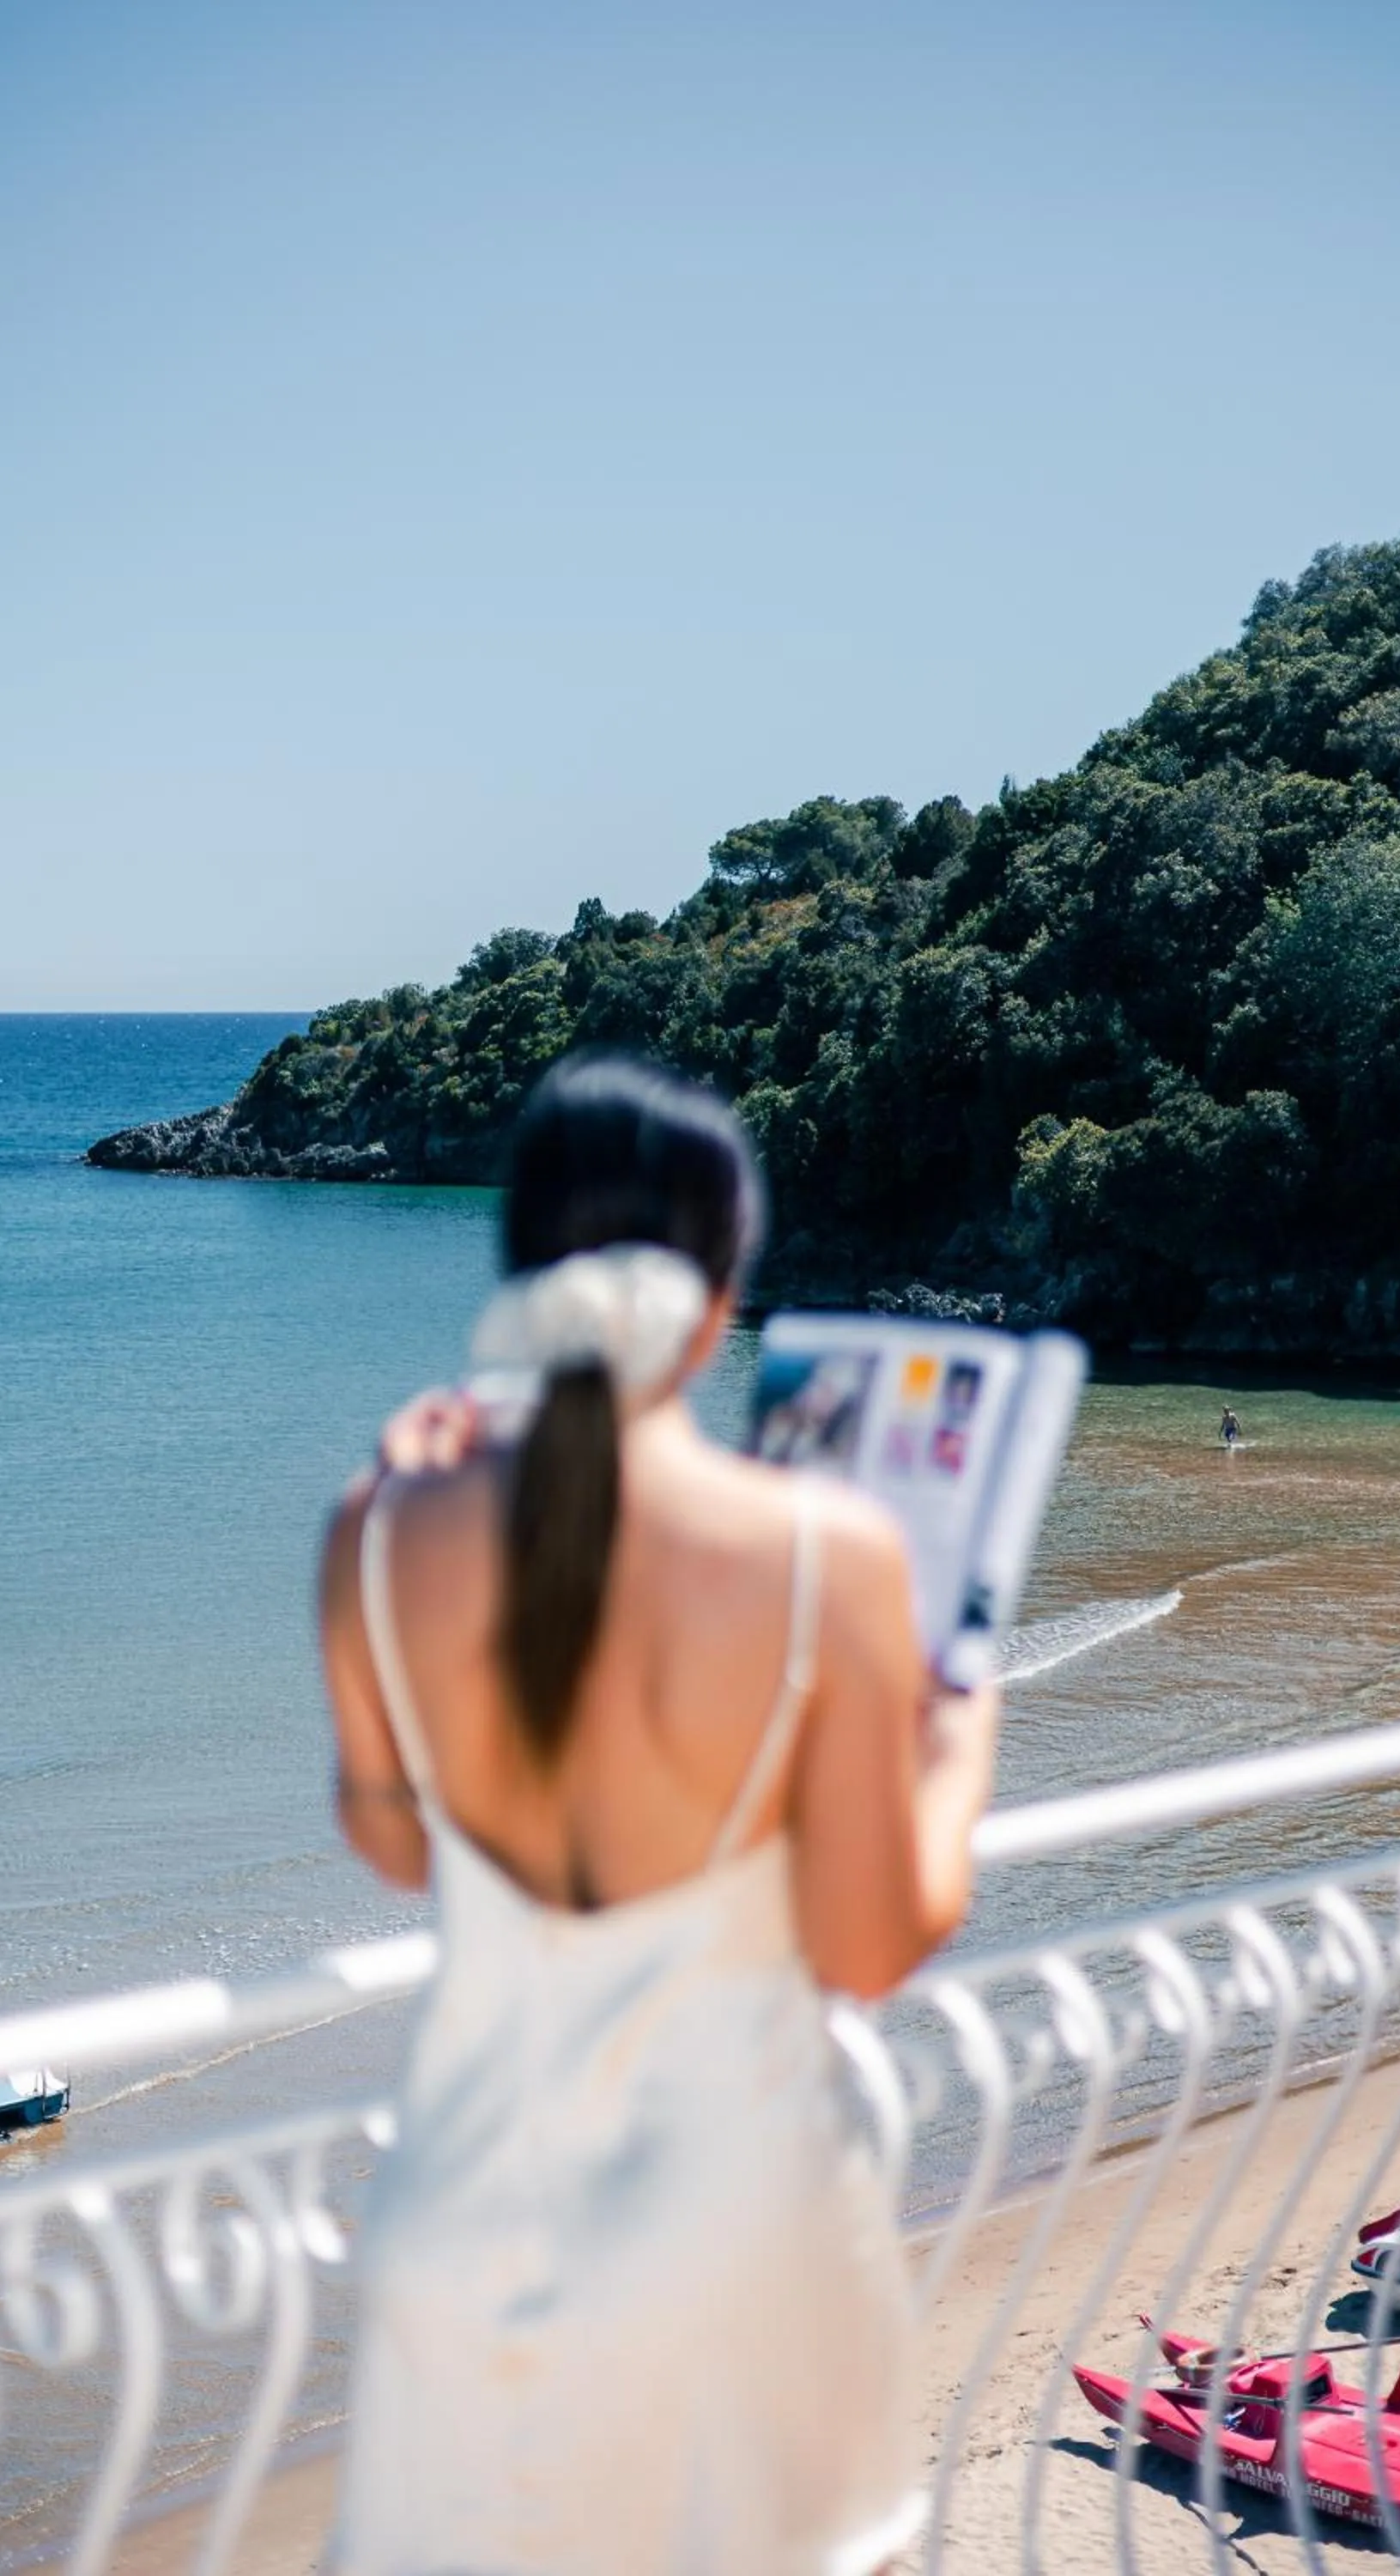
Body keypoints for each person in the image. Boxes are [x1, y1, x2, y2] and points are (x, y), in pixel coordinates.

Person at [319, 1053, 1001, 2576]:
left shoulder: (372, 1525)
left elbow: (394, 1843)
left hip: (464, 2228)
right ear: (713, 1306)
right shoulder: (827, 1551)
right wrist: (956, 1742)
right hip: (731, 2233)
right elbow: (875, 1942)